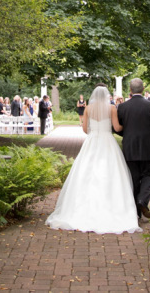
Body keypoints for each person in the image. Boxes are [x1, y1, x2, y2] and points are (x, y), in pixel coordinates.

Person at [45, 86, 141, 234]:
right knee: (111, 172)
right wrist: (126, 126)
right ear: (106, 95)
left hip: (92, 141)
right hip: (107, 141)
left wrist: (94, 131)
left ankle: (81, 208)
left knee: (86, 171)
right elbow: (117, 127)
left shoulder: (88, 108)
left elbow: (84, 129)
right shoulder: (111, 108)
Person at [116, 78, 150, 219]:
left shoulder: (123, 107)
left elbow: (117, 127)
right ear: (142, 89)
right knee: (148, 175)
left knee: (134, 178)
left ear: (130, 90)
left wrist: (127, 133)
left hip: (130, 146)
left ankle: (136, 212)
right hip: (148, 147)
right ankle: (142, 200)